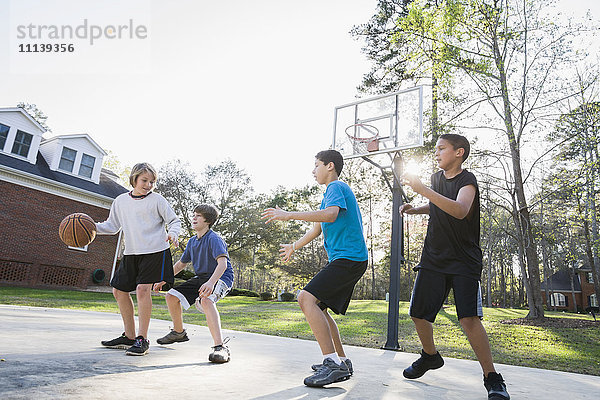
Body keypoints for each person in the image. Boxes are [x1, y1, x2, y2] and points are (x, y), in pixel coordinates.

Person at [400, 134, 510, 400]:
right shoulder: (437, 180)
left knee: (468, 318)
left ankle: (492, 378)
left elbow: (460, 209)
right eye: (436, 149)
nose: (436, 153)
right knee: (418, 313)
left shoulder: (467, 181)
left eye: (441, 149)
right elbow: (439, 204)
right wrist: (418, 209)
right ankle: (430, 356)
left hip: (463, 260)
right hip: (434, 258)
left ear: (459, 152)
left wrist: (423, 190)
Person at [261, 149, 368, 387]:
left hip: (349, 258)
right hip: (348, 259)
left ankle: (331, 364)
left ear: (330, 166)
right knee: (319, 307)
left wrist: (288, 215)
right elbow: (317, 229)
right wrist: (294, 246)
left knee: (305, 298)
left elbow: (329, 216)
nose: (313, 171)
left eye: (316, 165)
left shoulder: (336, 188)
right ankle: (341, 360)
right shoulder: (330, 194)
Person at [98, 162, 181, 356]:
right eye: (145, 180)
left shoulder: (157, 200)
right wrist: (91, 227)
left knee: (143, 290)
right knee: (118, 291)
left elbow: (174, 220)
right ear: (134, 178)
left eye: (152, 181)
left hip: (155, 250)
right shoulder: (120, 201)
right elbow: (112, 226)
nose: (148, 185)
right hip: (132, 252)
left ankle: (142, 339)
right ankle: (129, 336)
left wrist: (174, 234)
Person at [153, 204, 234, 363]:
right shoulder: (192, 241)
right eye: (194, 214)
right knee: (171, 296)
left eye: (198, 215)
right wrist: (164, 278)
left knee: (207, 300)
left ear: (208, 220)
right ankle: (178, 332)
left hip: (221, 277)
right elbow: (180, 265)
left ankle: (220, 347)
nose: (194, 218)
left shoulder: (214, 239)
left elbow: (223, 264)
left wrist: (211, 283)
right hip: (203, 277)